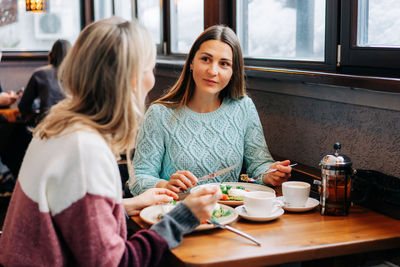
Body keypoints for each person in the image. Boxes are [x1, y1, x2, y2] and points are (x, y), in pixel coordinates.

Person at [0, 17, 221, 266]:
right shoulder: (85, 151)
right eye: (150, 68)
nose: (153, 78)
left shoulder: (58, 126)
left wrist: (126, 204)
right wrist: (184, 216)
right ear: (132, 80)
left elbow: (76, 215)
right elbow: (116, 262)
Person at [130, 25, 293, 196]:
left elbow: (259, 166)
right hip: (177, 215)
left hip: (232, 215)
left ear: (233, 72)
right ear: (192, 62)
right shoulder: (159, 114)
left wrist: (271, 174)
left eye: (224, 64)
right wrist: (164, 185)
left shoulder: (243, 107)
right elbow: (138, 178)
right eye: (206, 59)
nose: (212, 71)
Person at [18, 39, 71, 125]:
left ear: (51, 54)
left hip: (47, 126)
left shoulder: (40, 74)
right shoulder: (79, 76)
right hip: (72, 125)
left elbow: (23, 107)